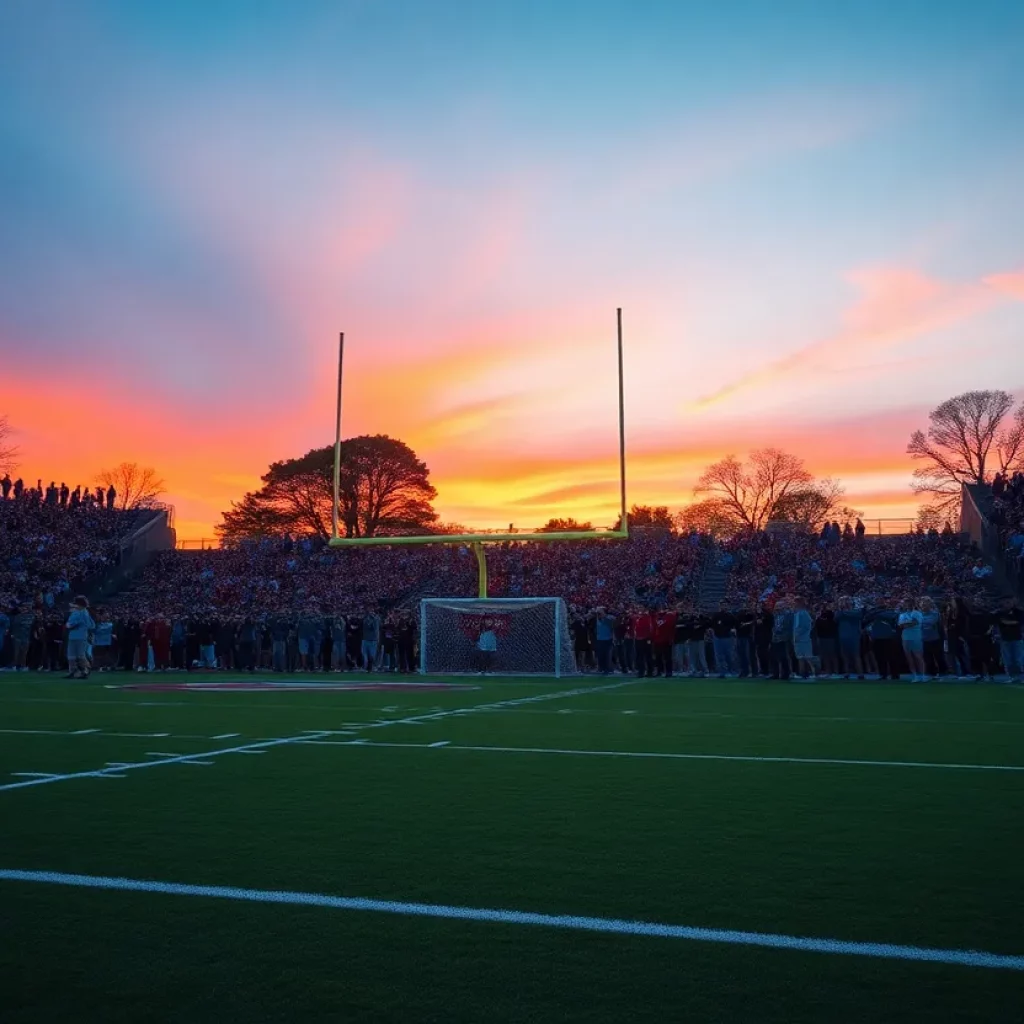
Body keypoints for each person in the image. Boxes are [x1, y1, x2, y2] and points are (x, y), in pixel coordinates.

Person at [65, 596, 95, 680]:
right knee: (71, 655)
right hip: (73, 636)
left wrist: (69, 625)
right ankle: (73, 672)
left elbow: (72, 623)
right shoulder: (78, 612)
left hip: (80, 636)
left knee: (80, 655)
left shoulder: (83, 612)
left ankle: (86, 670)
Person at [995, 597, 1023, 682]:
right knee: (1008, 660)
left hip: (1017, 638)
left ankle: (1020, 677)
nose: (1007, 604)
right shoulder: (1000, 613)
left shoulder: (1019, 612)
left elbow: (1019, 622)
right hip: (1005, 639)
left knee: (1018, 659)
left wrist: (1008, 622)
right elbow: (998, 622)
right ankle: (1012, 676)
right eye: (1006, 602)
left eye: (1009, 602)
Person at [897, 599, 926, 682]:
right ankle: (915, 676)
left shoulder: (917, 613)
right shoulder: (902, 615)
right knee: (909, 657)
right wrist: (907, 623)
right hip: (905, 637)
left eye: (908, 603)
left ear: (913, 604)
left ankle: (922, 675)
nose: (907, 605)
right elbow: (900, 625)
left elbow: (915, 622)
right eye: (905, 603)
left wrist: (905, 623)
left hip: (916, 636)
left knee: (918, 656)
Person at [792, 597, 817, 680]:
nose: (794, 604)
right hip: (798, 639)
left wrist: (798, 634)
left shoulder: (804, 613)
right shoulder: (797, 613)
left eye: (795, 603)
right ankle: (802, 674)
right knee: (800, 657)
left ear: (799, 603)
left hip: (804, 639)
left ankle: (814, 673)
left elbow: (806, 626)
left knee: (808, 657)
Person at [593, 607, 615, 676]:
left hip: (608, 639)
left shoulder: (609, 618)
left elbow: (612, 626)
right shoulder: (597, 618)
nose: (598, 611)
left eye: (600, 610)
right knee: (600, 655)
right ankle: (601, 668)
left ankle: (607, 669)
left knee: (607, 655)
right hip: (599, 639)